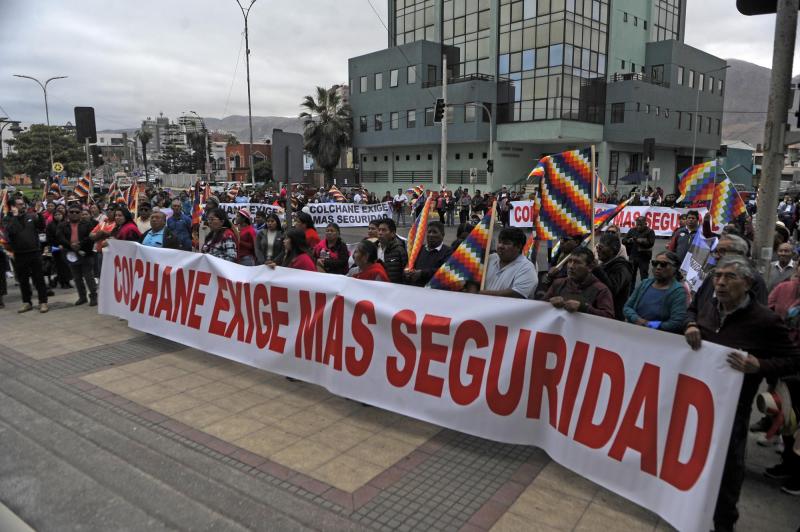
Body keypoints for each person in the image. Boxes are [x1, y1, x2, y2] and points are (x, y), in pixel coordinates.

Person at [684, 256, 800, 532]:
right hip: (697, 401)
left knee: (727, 472)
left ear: (747, 284)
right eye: (717, 276)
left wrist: (760, 365)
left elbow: (794, 359)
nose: (720, 282)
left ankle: (724, 524)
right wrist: (690, 325)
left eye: (729, 277)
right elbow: (691, 312)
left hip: (733, 409)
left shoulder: (765, 320)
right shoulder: (710, 307)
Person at [622, 251, 687, 333]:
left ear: (675, 268)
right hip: (634, 331)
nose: (658, 267)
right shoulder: (644, 283)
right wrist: (636, 319)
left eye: (663, 264)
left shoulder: (678, 291)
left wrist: (651, 325)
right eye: (655, 263)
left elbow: (677, 323)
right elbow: (627, 307)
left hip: (658, 338)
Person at [4, 197, 49, 313]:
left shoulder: (31, 216)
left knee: (39, 278)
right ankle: (27, 302)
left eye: (23, 204)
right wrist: (14, 216)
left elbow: (41, 226)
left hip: (34, 252)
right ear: (13, 207)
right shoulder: (8, 219)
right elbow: (11, 231)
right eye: (19, 204)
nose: (22, 206)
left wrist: (39, 214)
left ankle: (43, 302)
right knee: (23, 280)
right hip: (19, 254)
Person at [545, 246, 614, 317]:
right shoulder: (559, 283)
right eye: (569, 261)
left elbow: (609, 317)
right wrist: (550, 302)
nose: (571, 266)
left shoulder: (601, 289)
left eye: (577, 262)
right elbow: (540, 307)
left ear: (590, 267)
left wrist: (583, 308)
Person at [57, 204, 99, 306]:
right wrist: (71, 246)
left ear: (81, 213)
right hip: (71, 254)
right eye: (71, 212)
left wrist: (80, 245)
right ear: (68, 213)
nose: (74, 214)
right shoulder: (62, 225)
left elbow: (90, 238)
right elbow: (60, 237)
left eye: (77, 212)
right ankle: (82, 297)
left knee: (89, 276)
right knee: (76, 277)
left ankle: (93, 296)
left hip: (85, 254)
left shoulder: (88, 224)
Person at [478, 227, 538, 299]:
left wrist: (478, 294)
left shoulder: (527, 268)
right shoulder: (490, 259)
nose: (500, 246)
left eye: (506, 243)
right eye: (499, 242)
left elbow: (516, 294)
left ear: (518, 246)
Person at [595, 232, 633, 320]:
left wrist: (597, 269)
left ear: (613, 249)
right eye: (597, 247)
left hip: (613, 316)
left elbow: (612, 289)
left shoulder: (622, 267)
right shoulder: (603, 265)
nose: (598, 250)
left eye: (601, 247)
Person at [404, 221, 451, 287]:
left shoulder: (448, 251)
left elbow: (444, 271)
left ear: (442, 235)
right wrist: (407, 272)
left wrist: (421, 273)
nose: (431, 235)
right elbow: (410, 264)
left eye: (435, 232)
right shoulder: (418, 249)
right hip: (415, 289)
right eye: (429, 232)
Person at [622, 216, 655, 283]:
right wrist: (629, 241)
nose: (639, 226)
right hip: (633, 256)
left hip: (644, 257)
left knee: (644, 277)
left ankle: (644, 291)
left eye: (641, 225)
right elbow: (623, 240)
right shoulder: (632, 230)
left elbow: (651, 243)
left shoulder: (650, 231)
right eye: (637, 224)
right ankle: (630, 292)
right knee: (631, 276)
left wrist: (639, 240)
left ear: (645, 223)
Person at [45, 210, 72, 289]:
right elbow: (49, 238)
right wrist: (57, 245)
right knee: (59, 266)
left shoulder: (67, 224)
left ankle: (67, 281)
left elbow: (69, 235)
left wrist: (65, 244)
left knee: (67, 266)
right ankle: (62, 282)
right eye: (56, 214)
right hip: (55, 248)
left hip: (66, 247)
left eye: (59, 214)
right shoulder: (50, 225)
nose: (57, 216)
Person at [376, 218, 408, 283]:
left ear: (393, 233)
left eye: (384, 230)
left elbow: (405, 275)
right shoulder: (374, 247)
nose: (380, 233)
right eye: (379, 230)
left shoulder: (399, 250)